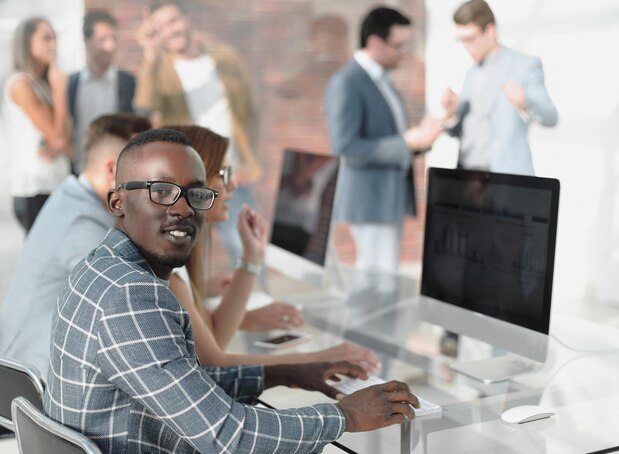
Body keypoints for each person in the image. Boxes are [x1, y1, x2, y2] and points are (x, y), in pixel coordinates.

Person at [44, 128, 419, 453]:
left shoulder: (103, 267)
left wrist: (293, 373)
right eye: (161, 191)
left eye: (195, 194)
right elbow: (229, 438)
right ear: (118, 202)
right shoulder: (132, 298)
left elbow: (184, 384)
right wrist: (345, 416)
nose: (182, 209)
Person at [166, 125, 379, 371]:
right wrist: (321, 359)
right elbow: (215, 362)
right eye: (223, 173)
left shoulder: (182, 262)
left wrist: (251, 257)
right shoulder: (170, 275)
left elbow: (215, 339)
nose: (233, 184)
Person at [0, 113, 151, 377]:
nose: (153, 181)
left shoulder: (74, 197)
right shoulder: (82, 225)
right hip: (31, 379)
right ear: (112, 169)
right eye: (145, 171)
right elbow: (131, 305)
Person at [134, 1, 260, 267]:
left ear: (188, 19)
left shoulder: (225, 57)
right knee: (192, 260)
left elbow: (250, 112)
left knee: (247, 247)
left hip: (232, 177)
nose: (171, 31)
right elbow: (143, 111)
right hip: (190, 184)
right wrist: (149, 54)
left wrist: (249, 160)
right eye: (161, 27)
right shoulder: (159, 68)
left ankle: (259, 303)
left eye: (174, 21)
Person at [325, 6, 442, 274]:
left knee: (383, 280)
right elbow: (345, 146)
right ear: (375, 43)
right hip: (370, 203)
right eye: (398, 45)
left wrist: (419, 139)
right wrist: (405, 144)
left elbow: (391, 137)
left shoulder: (381, 80)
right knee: (377, 283)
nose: (404, 53)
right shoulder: (348, 82)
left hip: (387, 199)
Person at [441, 0, 558, 175]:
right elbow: (462, 133)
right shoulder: (471, 73)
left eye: (471, 39)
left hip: (506, 178)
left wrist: (525, 103)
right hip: (468, 178)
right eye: (461, 40)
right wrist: (452, 113)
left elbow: (551, 117)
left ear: (490, 31)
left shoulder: (524, 66)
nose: (466, 47)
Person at [2, 17, 72, 233]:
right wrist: (60, 90)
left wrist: (61, 141)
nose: (54, 45)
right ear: (26, 42)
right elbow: (57, 138)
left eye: (55, 38)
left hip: (55, 185)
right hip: (35, 190)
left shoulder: (44, 83)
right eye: (46, 38)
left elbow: (67, 141)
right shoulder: (21, 84)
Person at [68, 10, 136, 174]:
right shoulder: (70, 84)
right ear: (86, 41)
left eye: (114, 39)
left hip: (118, 174)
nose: (110, 46)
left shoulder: (129, 82)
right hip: (79, 172)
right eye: (103, 39)